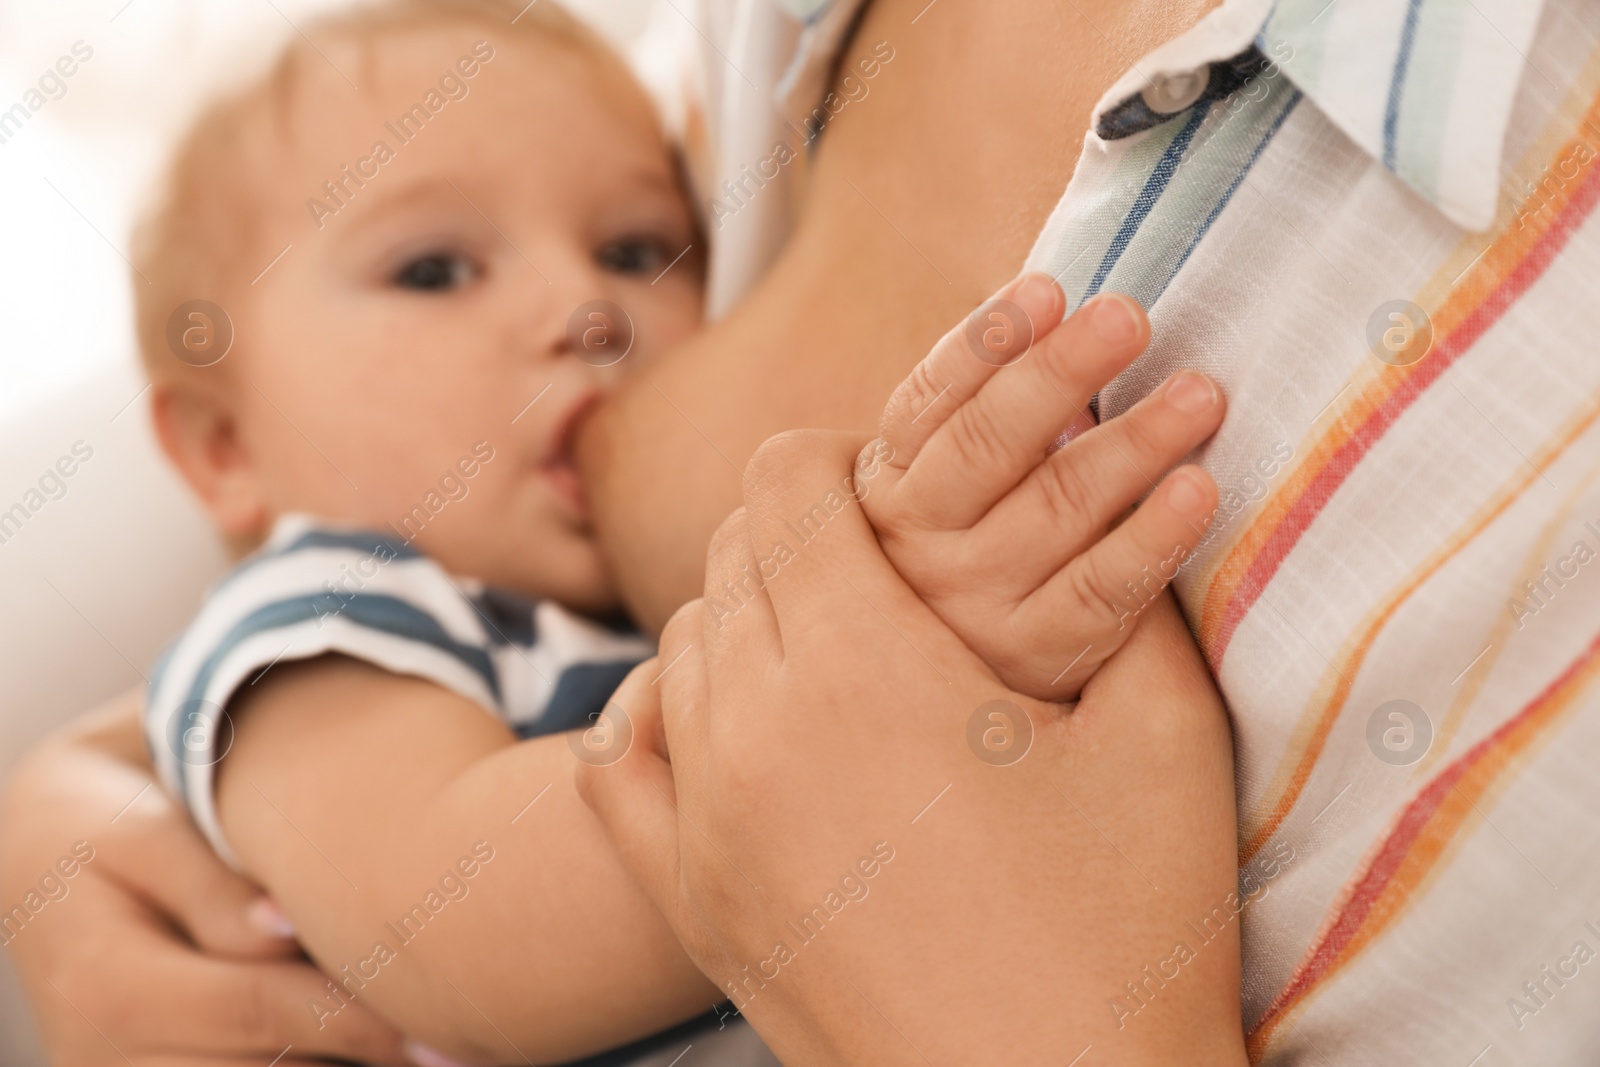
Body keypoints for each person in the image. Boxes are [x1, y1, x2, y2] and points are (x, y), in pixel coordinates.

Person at [11, 0, 1600, 1060]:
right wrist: (877, 669)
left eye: (640, 245)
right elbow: (467, 923)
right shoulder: (313, 633)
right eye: (433, 272)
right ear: (218, 446)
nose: (585, 310)